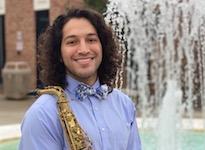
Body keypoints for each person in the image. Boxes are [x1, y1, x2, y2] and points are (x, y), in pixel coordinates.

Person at [19, 7, 142, 150]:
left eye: (91, 40)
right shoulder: (42, 114)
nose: (84, 50)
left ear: (103, 47)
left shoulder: (125, 105)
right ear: (58, 53)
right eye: (72, 42)